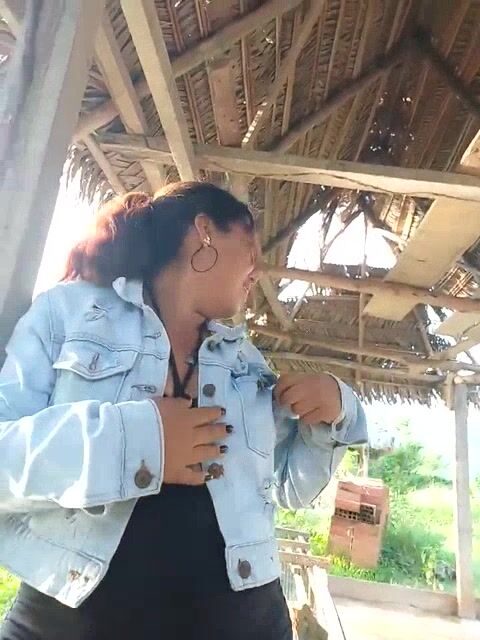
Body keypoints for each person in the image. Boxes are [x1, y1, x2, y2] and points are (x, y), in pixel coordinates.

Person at [0, 182, 367, 639]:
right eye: (251, 250)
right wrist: (141, 442)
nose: (258, 271)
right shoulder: (68, 312)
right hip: (65, 623)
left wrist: (336, 414)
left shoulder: (248, 363)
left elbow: (290, 488)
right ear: (204, 232)